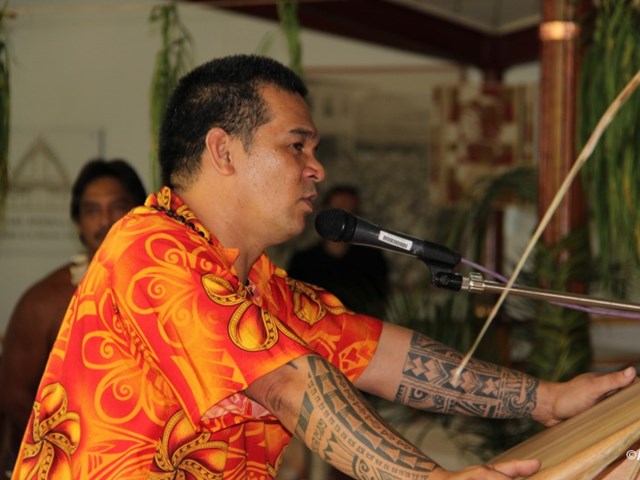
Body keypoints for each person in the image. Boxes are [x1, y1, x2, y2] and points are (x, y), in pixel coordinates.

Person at [10, 54, 635, 480]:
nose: (317, 168)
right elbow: (289, 386)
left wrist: (547, 398)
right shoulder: (149, 245)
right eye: (296, 146)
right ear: (223, 151)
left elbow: (383, 358)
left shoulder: (262, 289)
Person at [1, 159, 146, 477]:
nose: (104, 221)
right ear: (78, 223)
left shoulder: (165, 289)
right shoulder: (44, 301)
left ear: (139, 213)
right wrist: (71, 451)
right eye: (92, 211)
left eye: (116, 207)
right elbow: (14, 394)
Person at [288, 184, 390, 319]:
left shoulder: (372, 259)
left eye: (351, 214)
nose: (345, 223)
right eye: (339, 214)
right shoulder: (303, 261)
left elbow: (379, 304)